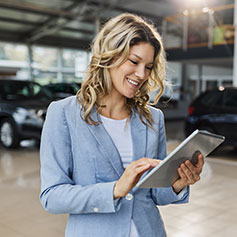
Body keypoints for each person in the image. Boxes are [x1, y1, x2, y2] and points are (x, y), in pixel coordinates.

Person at [40, 13, 204, 237]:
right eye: (134, 62)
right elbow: (52, 197)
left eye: (148, 66)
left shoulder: (153, 119)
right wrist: (115, 190)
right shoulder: (63, 114)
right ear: (110, 56)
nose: (141, 74)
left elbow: (155, 193)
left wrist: (178, 183)